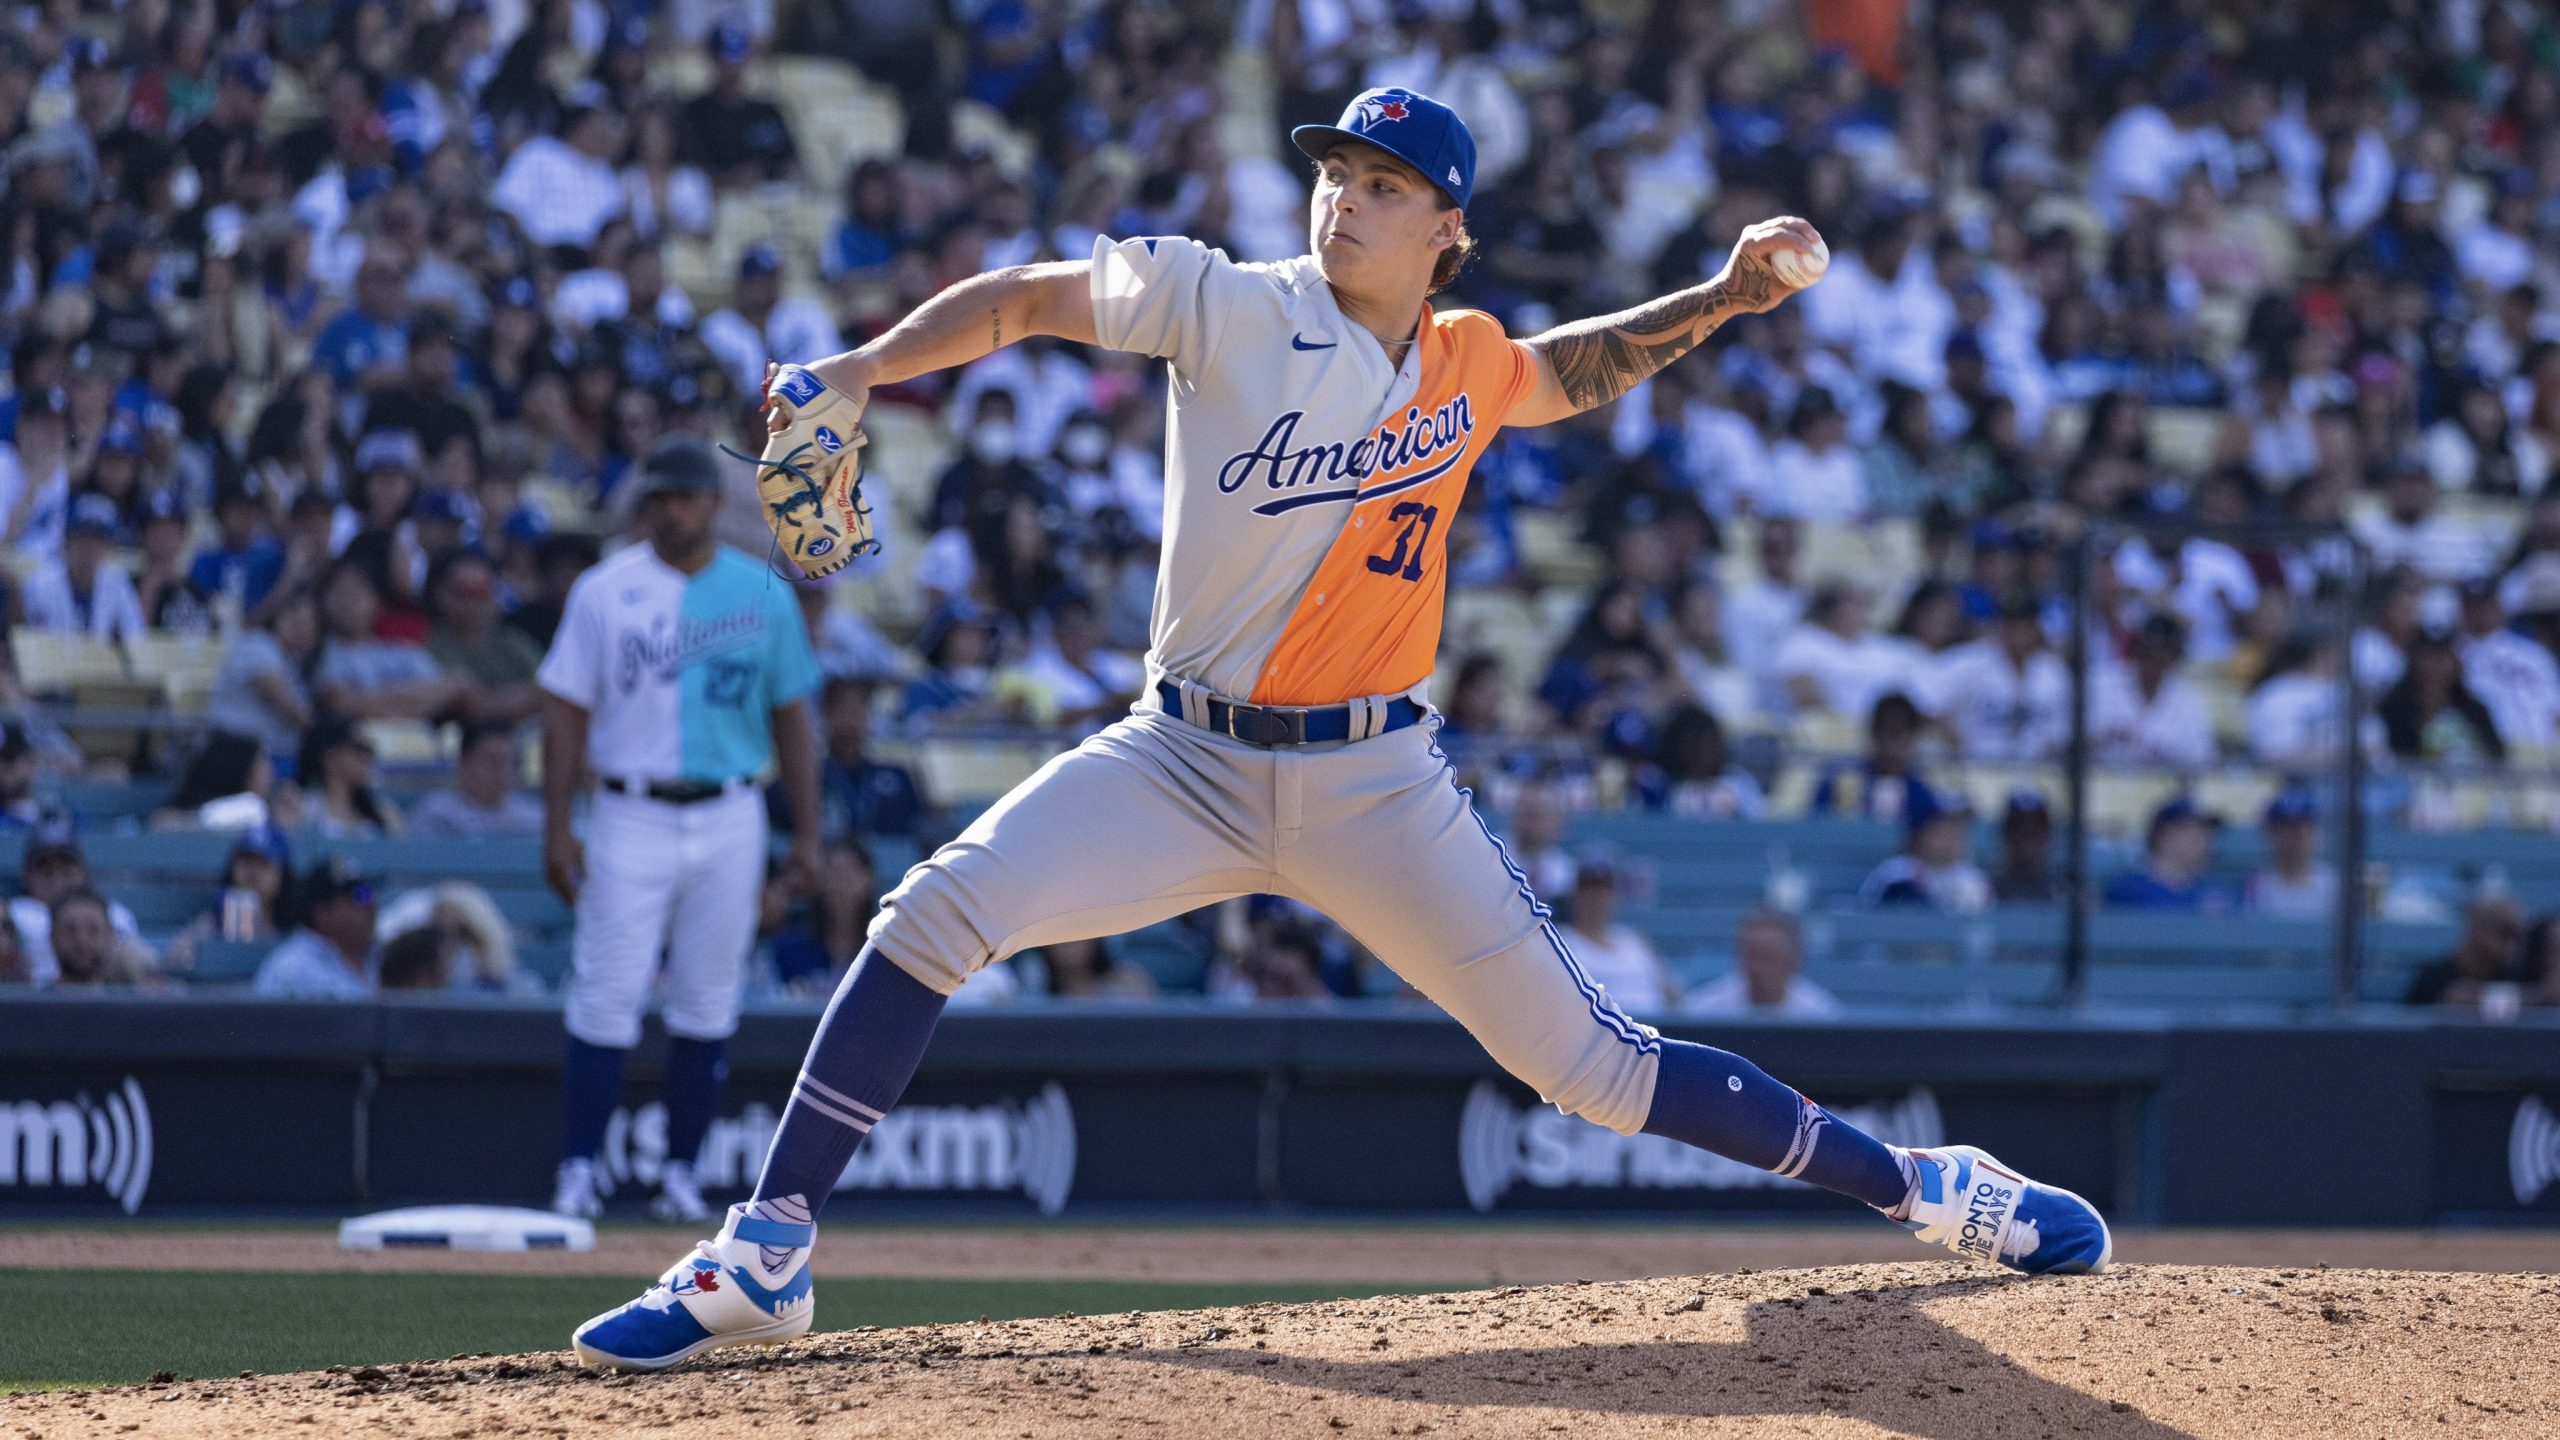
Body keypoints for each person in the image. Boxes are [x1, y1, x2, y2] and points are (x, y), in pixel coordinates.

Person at [575, 86, 2107, 1374]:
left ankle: (1924, 1184)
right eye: (1333, 175)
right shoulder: (1226, 302)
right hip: (1180, 757)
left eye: (1383, 186)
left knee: (1591, 1068)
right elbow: (1028, 299)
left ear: (1447, 227)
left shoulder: (1462, 360)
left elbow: (1571, 370)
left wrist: (1722, 295)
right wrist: (855, 370)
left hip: (1377, 778)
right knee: (928, 918)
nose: (1344, 203)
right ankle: (766, 1251)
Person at [538, 436, 821, 1227]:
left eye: (686, 495)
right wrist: (557, 826)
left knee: (706, 1002)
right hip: (628, 808)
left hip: (732, 809)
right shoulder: (604, 590)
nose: (672, 509)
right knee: (606, 995)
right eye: (659, 497)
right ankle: (578, 1170)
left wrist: (807, 834)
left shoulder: (763, 592)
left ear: (711, 503)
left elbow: (793, 717)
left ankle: (681, 1174)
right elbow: (563, 713)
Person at [789, 677, 925, 844]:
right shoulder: (804, 777)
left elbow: (918, 828)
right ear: (825, 714)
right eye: (842, 709)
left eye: (858, 709)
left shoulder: (897, 777)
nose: (850, 719)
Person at [8, 837, 147, 985]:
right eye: (47, 872)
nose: (58, 880)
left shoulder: (115, 913)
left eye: (67, 871)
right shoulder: (14, 913)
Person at [1553, 852, 1674, 1014]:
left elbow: (1672, 997)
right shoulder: (1559, 942)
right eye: (1588, 891)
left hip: (1655, 1032)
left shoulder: (1632, 939)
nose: (1596, 899)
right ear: (1573, 895)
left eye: (1603, 892)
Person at [20, 493, 145, 641]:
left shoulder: (118, 583)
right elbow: (28, 644)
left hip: (100, 663)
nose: (89, 548)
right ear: (67, 540)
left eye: (98, 540)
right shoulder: (40, 583)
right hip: (51, 662)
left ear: (107, 547)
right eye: (83, 538)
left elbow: (136, 637)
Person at [252, 858, 381, 1000]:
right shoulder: (289, 970)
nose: (371, 904)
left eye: (369, 893)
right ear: (322, 913)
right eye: (360, 896)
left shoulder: (384, 957)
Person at [1858, 784, 1993, 914]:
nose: (1952, 837)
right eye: (1942, 830)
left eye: (1957, 829)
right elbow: (1867, 922)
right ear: (1919, 834)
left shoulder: (1974, 880)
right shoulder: (1894, 876)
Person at [1681, 910, 1842, 1019]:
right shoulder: (1703, 1012)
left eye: (1767, 958)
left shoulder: (1821, 1015)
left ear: (1792, 962)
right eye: (1751, 956)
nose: (1756, 968)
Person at [408, 722, 544, 839]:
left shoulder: (535, 818)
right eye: (492, 761)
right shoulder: (437, 816)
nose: (502, 772)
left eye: (510, 762)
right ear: (463, 763)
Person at [1809, 692, 1929, 822]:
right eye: (1887, 732)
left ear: (1913, 738)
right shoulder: (1840, 785)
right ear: (1873, 735)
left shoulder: (1922, 797)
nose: (1893, 745)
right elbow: (1815, 828)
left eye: (1899, 734)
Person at [2103, 797, 2233, 912]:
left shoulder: (2214, 894)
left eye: (2207, 834)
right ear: (2164, 835)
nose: (2204, 841)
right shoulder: (2126, 892)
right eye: (2194, 832)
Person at [2404, 894, 2527, 1008]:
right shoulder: (2433, 980)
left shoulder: (2516, 977)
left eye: (2517, 936)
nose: (2511, 944)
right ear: (2476, 929)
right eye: (2503, 933)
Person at [297, 716, 404, 838]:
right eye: (358, 749)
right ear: (330, 758)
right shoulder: (304, 809)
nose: (367, 758)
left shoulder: (385, 814)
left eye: (369, 751)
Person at [2243, 788, 2339, 922]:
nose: (2299, 836)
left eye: (2306, 828)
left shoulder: (2337, 886)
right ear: (2271, 835)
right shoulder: (2253, 886)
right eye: (2288, 829)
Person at [1989, 789, 2065, 905]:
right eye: (2018, 829)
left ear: (2047, 837)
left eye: (2035, 831)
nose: (2027, 841)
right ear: (2006, 836)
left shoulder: (2063, 891)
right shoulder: (1985, 890)